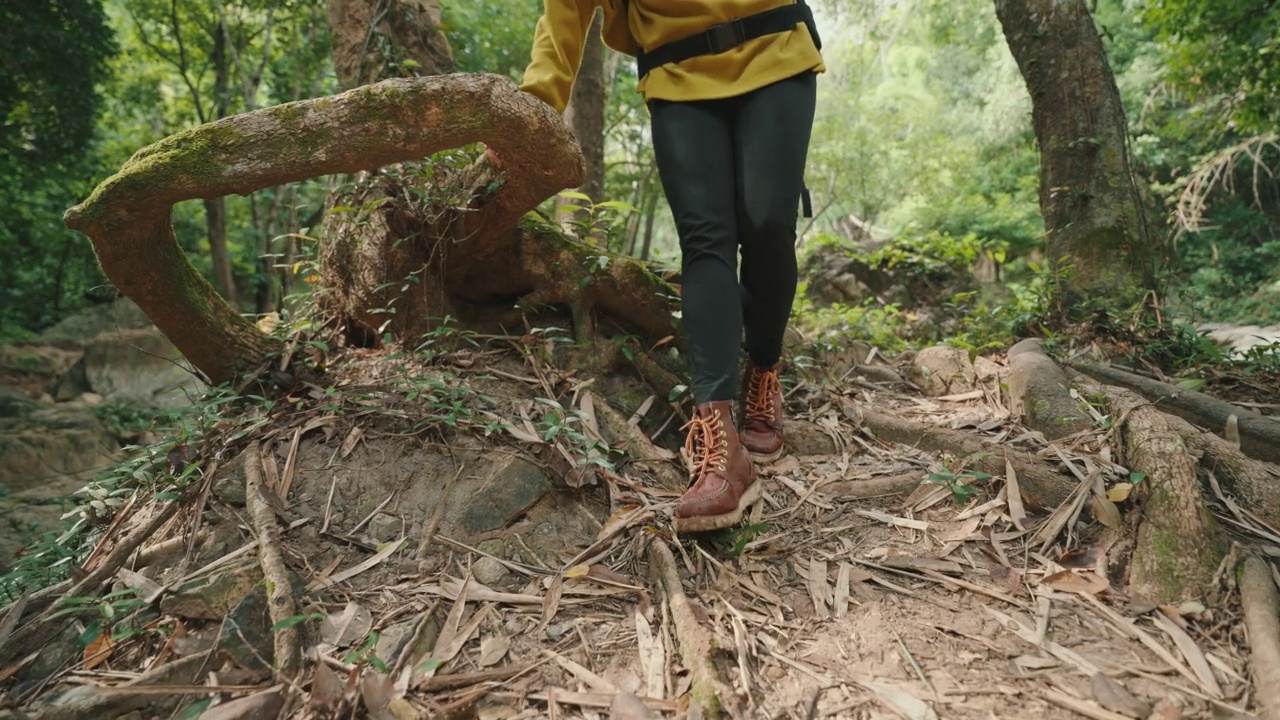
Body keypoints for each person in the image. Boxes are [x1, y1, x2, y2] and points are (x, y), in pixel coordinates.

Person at [510, 0, 823, 532]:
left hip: (776, 49)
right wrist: (536, 106)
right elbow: (567, 8)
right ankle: (721, 451)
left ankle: (764, 371)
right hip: (676, 71)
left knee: (769, 225)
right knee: (706, 241)